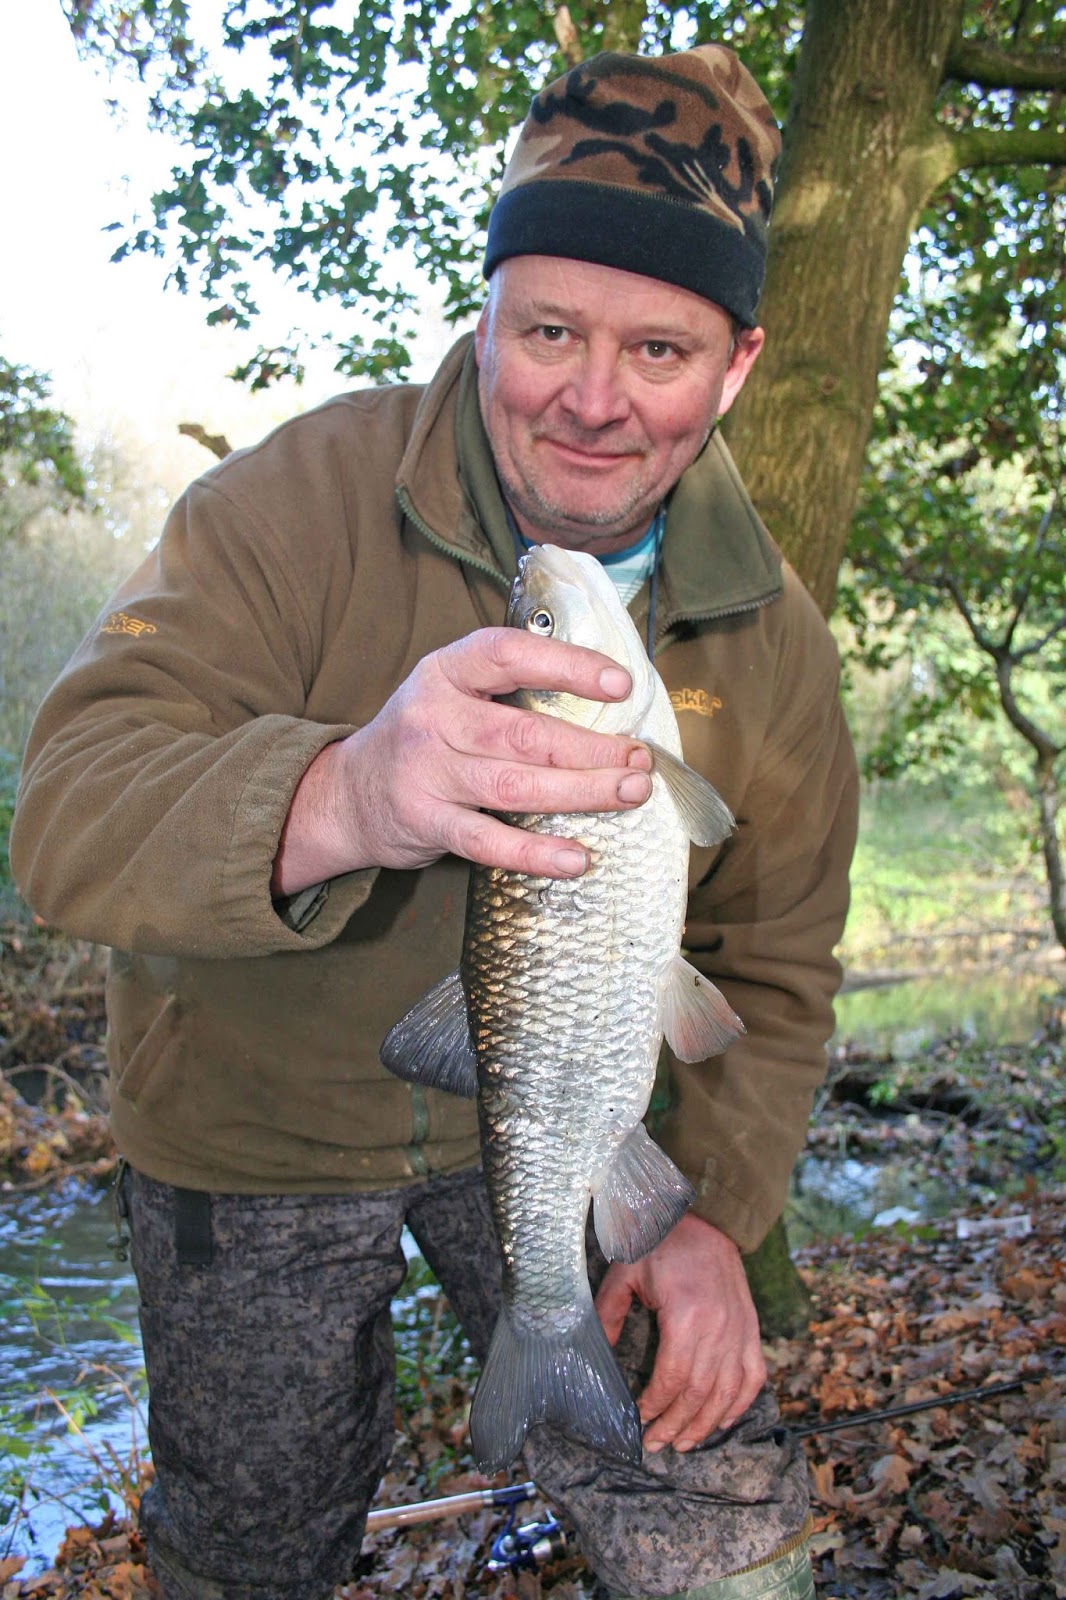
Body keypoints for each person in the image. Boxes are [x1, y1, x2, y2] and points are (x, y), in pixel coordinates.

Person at [11, 43, 858, 1600]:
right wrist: (339, 791)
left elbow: (779, 966)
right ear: (484, 314)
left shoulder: (771, 637)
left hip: (562, 1112)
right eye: (546, 330)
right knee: (250, 1543)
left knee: (710, 1512)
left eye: (657, 353)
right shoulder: (289, 504)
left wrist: (713, 1217)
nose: (592, 403)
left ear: (736, 364)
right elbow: (64, 814)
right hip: (248, 1128)